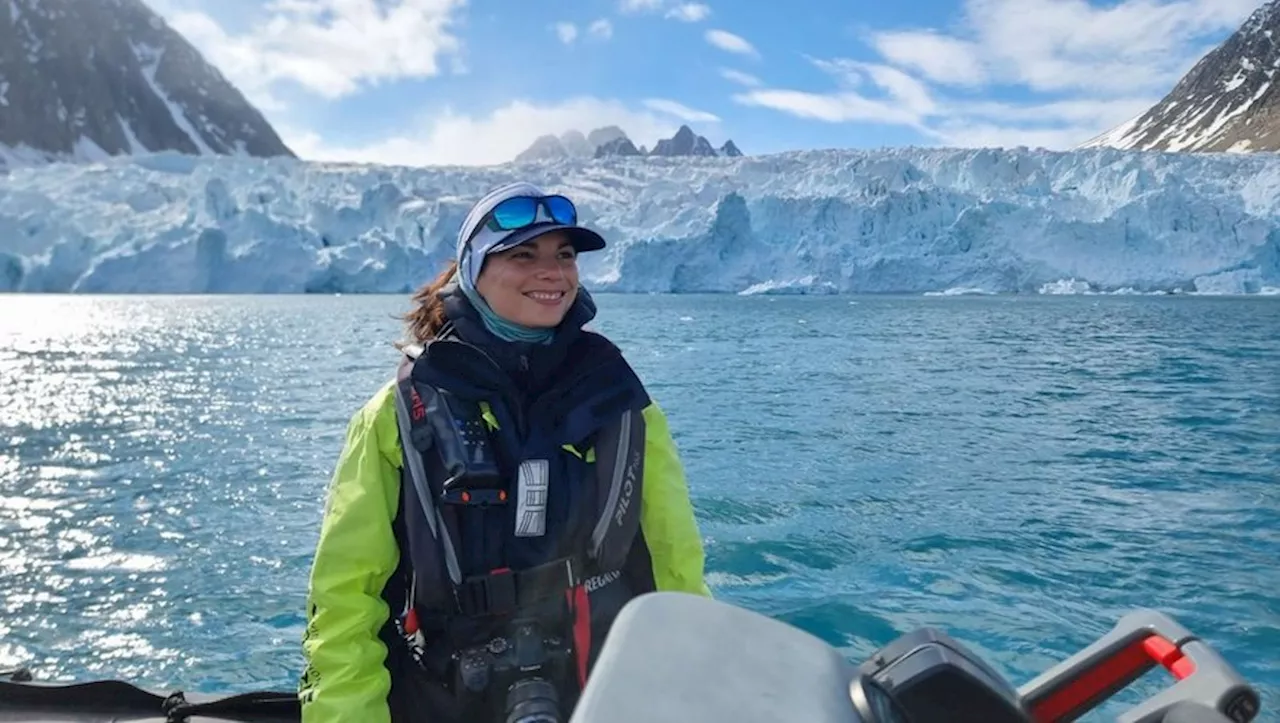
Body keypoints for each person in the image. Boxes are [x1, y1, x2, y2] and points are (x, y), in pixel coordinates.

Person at [297, 181, 712, 723]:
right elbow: (346, 598)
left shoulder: (622, 404)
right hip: (447, 696)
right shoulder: (395, 415)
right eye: (523, 255)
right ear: (473, 272)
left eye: (564, 255)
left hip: (601, 691)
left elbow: (676, 569)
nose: (553, 272)